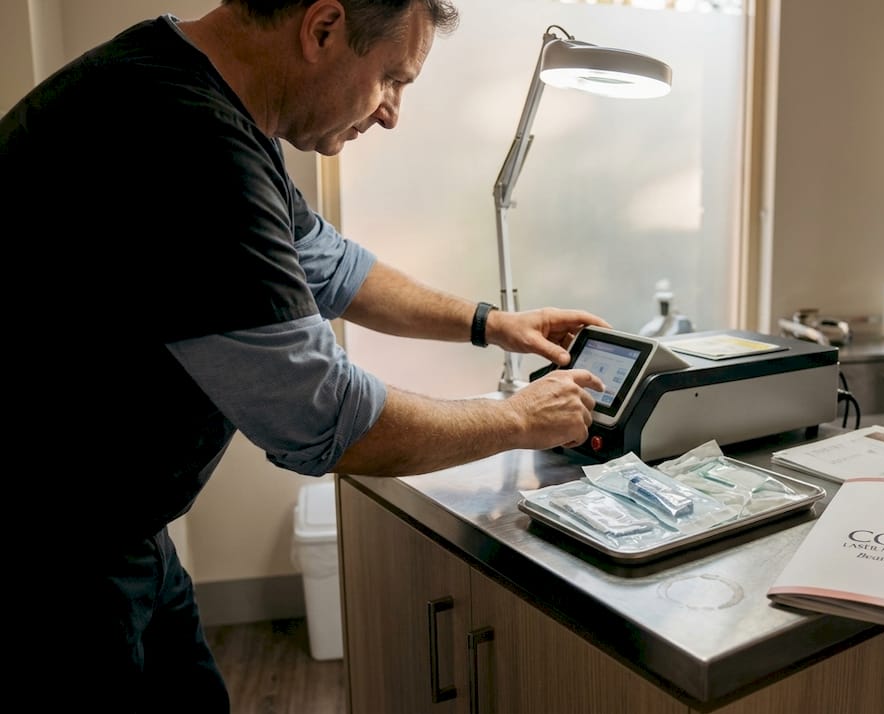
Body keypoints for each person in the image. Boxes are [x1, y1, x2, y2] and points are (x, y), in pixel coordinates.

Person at [0, 1, 608, 710]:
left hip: (117, 526)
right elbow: (324, 419)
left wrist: (492, 323)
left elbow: (334, 269)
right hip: (47, 554)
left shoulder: (183, 86)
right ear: (322, 29)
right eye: (391, 78)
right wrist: (518, 420)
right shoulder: (186, 138)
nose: (392, 113)